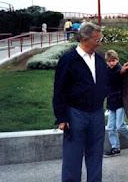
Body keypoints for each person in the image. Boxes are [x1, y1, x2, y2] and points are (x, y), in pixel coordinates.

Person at [52, 22, 107, 182]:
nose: (100, 42)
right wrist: (61, 118)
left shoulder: (99, 59)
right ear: (85, 38)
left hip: (97, 113)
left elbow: (106, 82)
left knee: (96, 155)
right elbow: (59, 90)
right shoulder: (68, 60)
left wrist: (120, 73)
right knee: (73, 157)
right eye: (97, 39)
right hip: (75, 114)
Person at [104, 49, 128, 157]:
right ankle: (115, 148)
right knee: (110, 127)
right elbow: (110, 79)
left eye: (114, 60)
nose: (112, 63)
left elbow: (124, 78)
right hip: (111, 102)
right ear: (106, 62)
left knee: (120, 126)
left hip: (120, 101)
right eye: (109, 61)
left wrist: (121, 72)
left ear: (117, 60)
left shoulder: (122, 69)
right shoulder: (110, 71)